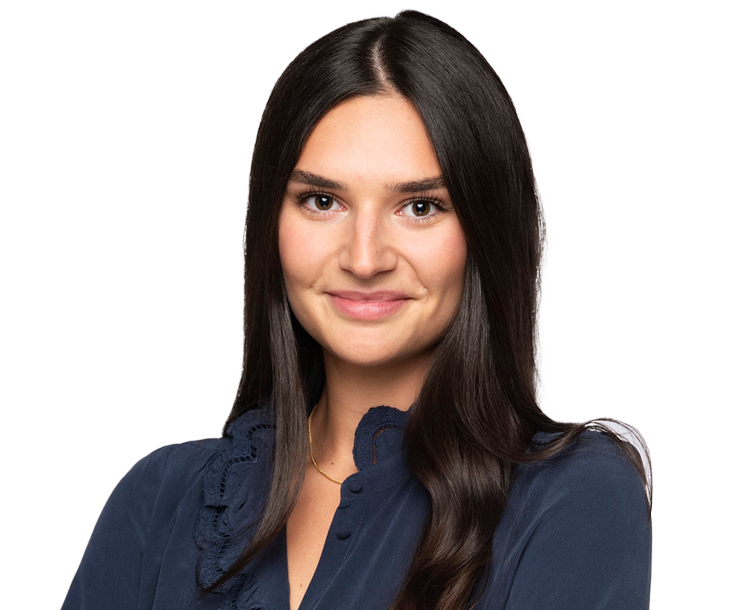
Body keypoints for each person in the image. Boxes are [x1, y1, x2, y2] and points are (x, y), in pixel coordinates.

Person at [62, 9, 652, 610]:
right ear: (271, 223)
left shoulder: (573, 497)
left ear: (487, 230)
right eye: (322, 201)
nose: (365, 259)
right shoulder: (159, 500)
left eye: (420, 207)